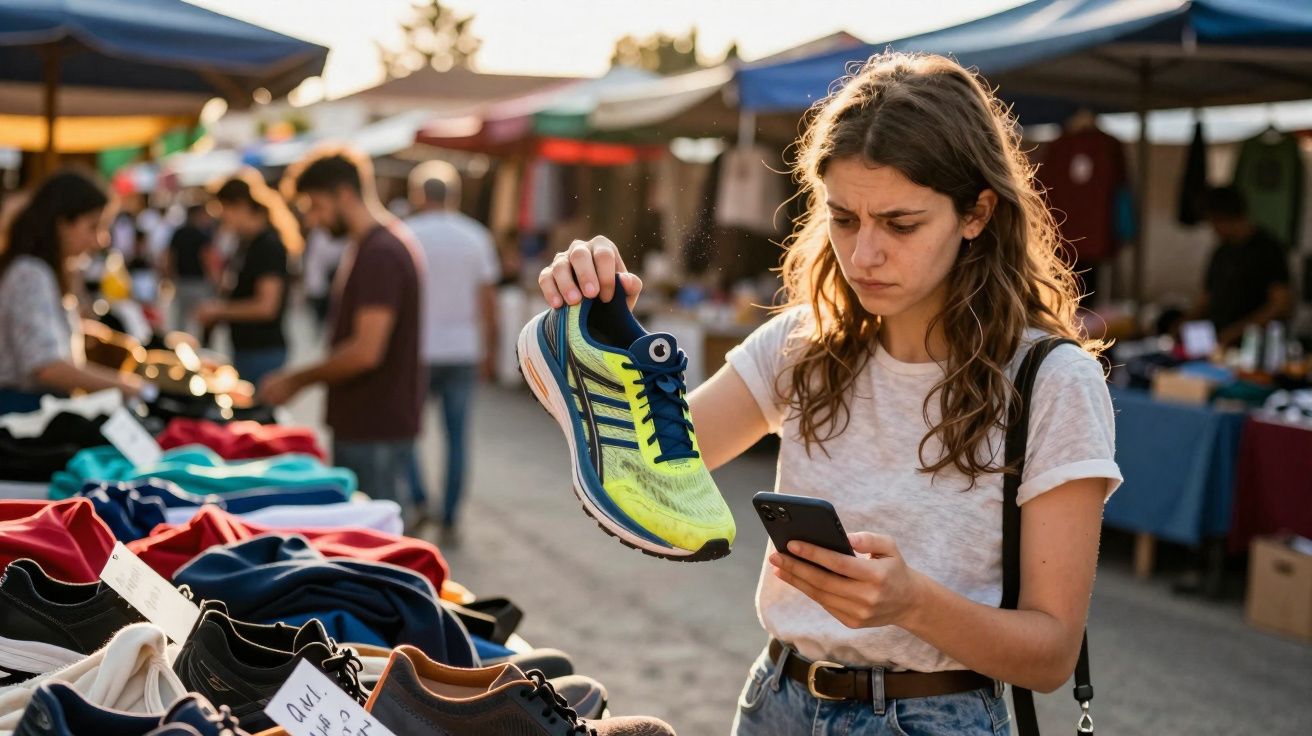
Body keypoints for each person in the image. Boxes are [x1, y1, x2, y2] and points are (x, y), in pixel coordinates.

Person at [537, 53, 1121, 735]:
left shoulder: (1051, 381)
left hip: (936, 716)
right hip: (775, 701)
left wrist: (910, 604)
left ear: (977, 213)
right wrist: (600, 328)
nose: (865, 254)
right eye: (844, 218)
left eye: (900, 225)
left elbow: (1050, 655)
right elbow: (642, 463)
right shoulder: (802, 344)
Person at [260, 149, 425, 518]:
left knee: (377, 545)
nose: (313, 219)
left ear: (344, 194)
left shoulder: (380, 252)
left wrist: (298, 379)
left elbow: (366, 350)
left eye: (316, 205)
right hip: (368, 422)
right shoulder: (369, 246)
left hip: (374, 426)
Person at [404, 161, 500, 539]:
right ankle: (450, 514)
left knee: (409, 432)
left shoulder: (408, 235)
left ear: (418, 195)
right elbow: (488, 302)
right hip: (462, 350)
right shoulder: (475, 237)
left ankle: (418, 498)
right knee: (458, 435)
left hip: (417, 352)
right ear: (454, 195)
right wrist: (489, 350)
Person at [0, 170, 149, 407]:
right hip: (23, 411)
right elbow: (45, 366)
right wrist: (125, 385)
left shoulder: (45, 271)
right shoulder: (29, 273)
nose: (101, 240)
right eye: (93, 227)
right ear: (62, 224)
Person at [197, 171, 301, 385]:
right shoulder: (246, 243)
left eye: (224, 210)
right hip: (248, 349)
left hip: (262, 351)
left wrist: (219, 310)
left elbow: (266, 306)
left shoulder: (268, 245)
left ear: (240, 206)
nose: (223, 218)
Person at [1188, 186, 1292, 347]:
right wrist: (1185, 321)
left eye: (1213, 222)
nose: (1213, 230)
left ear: (1223, 217)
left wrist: (1238, 331)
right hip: (1218, 342)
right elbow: (1207, 297)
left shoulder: (1268, 249)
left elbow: (1280, 305)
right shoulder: (1222, 251)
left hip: (1253, 346)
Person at [163, 203, 215, 334]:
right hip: (197, 282)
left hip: (183, 281)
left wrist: (169, 275)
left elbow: (169, 257)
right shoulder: (202, 235)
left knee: (181, 320)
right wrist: (214, 279)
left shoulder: (179, 233)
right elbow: (207, 259)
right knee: (197, 320)